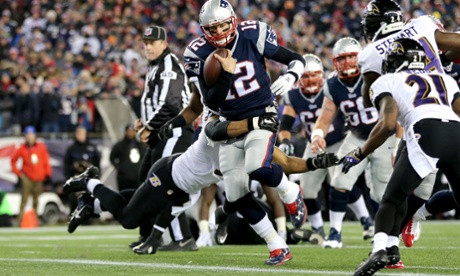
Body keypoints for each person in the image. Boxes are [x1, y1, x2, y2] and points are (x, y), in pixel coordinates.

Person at [62, 115, 338, 265]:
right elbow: (215, 129)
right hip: (169, 176)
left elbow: (288, 162)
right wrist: (253, 122)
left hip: (183, 190)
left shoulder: (253, 144)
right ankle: (89, 182)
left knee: (235, 197)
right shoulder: (214, 130)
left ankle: (91, 204)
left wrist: (315, 163)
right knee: (128, 219)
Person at [184, 0, 307, 263]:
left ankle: (291, 192)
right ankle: (277, 246)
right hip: (229, 123)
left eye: (223, 26)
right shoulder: (197, 53)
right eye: (212, 29)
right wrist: (227, 74)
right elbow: (211, 102)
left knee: (257, 167)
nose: (218, 33)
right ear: (204, 30)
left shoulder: (252, 34)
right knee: (237, 195)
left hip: (262, 114)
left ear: (233, 21)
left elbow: (295, 59)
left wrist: (290, 77)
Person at [344, 38, 460, 276]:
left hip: (425, 130)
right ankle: (391, 247)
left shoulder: (388, 79)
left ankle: (379, 251)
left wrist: (360, 151)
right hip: (456, 132)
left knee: (392, 198)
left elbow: (387, 124)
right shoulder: (445, 78)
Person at [278, 53, 374, 241]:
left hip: (339, 141)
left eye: (314, 75)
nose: (310, 79)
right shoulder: (293, 96)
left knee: (342, 183)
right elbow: (285, 126)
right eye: (305, 76)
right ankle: (318, 229)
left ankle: (366, 220)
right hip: (313, 146)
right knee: (307, 188)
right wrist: (285, 141)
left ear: (321, 74)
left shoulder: (331, 88)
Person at [310, 37, 391, 249]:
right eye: (341, 58)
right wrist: (317, 134)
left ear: (360, 57)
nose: (346, 62)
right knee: (339, 182)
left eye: (350, 57)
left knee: (382, 193)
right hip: (356, 137)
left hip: (383, 137)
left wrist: (400, 140)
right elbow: (326, 116)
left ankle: (387, 234)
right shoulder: (333, 84)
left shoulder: (376, 73)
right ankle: (335, 233)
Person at [132, 25, 195, 251]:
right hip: (162, 132)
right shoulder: (156, 65)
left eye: (152, 42)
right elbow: (158, 102)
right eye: (145, 42)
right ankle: (147, 233)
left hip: (174, 132)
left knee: (164, 183)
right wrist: (144, 120)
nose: (148, 46)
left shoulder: (168, 65)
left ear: (164, 43)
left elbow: (171, 104)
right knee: (145, 180)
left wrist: (149, 125)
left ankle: (182, 237)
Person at [10, 125, 52, 223]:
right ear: (25, 136)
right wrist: (18, 174)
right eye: (27, 135)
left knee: (36, 200)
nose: (29, 137)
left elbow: (46, 161)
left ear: (35, 136)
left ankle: (35, 219)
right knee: (24, 199)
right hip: (27, 178)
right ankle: (20, 219)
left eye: (31, 134)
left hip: (39, 178)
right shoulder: (22, 148)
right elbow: (13, 161)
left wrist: (47, 174)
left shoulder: (41, 147)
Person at [63, 125, 100, 214]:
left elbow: (97, 164)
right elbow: (66, 165)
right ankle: (73, 217)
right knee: (74, 200)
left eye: (82, 133)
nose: (80, 136)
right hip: (76, 178)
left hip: (89, 179)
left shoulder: (92, 148)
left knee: (89, 200)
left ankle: (90, 220)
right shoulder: (71, 149)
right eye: (79, 133)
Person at [109, 124, 147, 191]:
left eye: (132, 131)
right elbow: (112, 158)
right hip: (124, 178)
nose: (131, 133)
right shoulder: (119, 145)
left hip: (137, 177)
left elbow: (144, 158)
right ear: (126, 132)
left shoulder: (140, 145)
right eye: (129, 131)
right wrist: (120, 168)